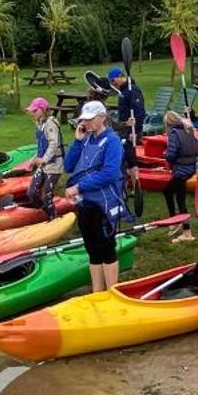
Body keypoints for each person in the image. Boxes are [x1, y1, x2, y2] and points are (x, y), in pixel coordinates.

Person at [63, 100, 129, 292]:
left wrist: (79, 188)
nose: (87, 123)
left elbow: (109, 173)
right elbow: (68, 166)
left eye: (91, 119)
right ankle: (97, 292)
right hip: (85, 205)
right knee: (92, 248)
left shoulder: (112, 141)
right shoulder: (86, 138)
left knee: (106, 248)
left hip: (103, 204)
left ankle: (112, 292)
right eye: (84, 119)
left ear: (102, 117)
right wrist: (77, 141)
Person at [161, 110, 198, 240]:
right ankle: (174, 220)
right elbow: (195, 146)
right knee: (168, 191)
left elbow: (172, 154)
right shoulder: (188, 130)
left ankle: (186, 232)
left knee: (180, 200)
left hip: (181, 169)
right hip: (190, 167)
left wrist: (165, 155)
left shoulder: (174, 133)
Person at [26, 97, 65, 212]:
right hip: (43, 165)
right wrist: (33, 160)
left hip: (54, 165)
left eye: (35, 111)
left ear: (43, 110)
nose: (33, 113)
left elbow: (53, 143)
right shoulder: (40, 124)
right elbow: (41, 146)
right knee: (31, 192)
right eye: (32, 111)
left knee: (46, 196)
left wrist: (44, 159)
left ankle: (53, 216)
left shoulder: (50, 124)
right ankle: (42, 211)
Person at [107, 68, 146, 143]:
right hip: (124, 128)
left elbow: (139, 112)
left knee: (131, 153)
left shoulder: (132, 90)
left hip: (132, 131)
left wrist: (135, 131)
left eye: (113, 81)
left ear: (120, 77)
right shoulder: (123, 91)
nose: (112, 84)